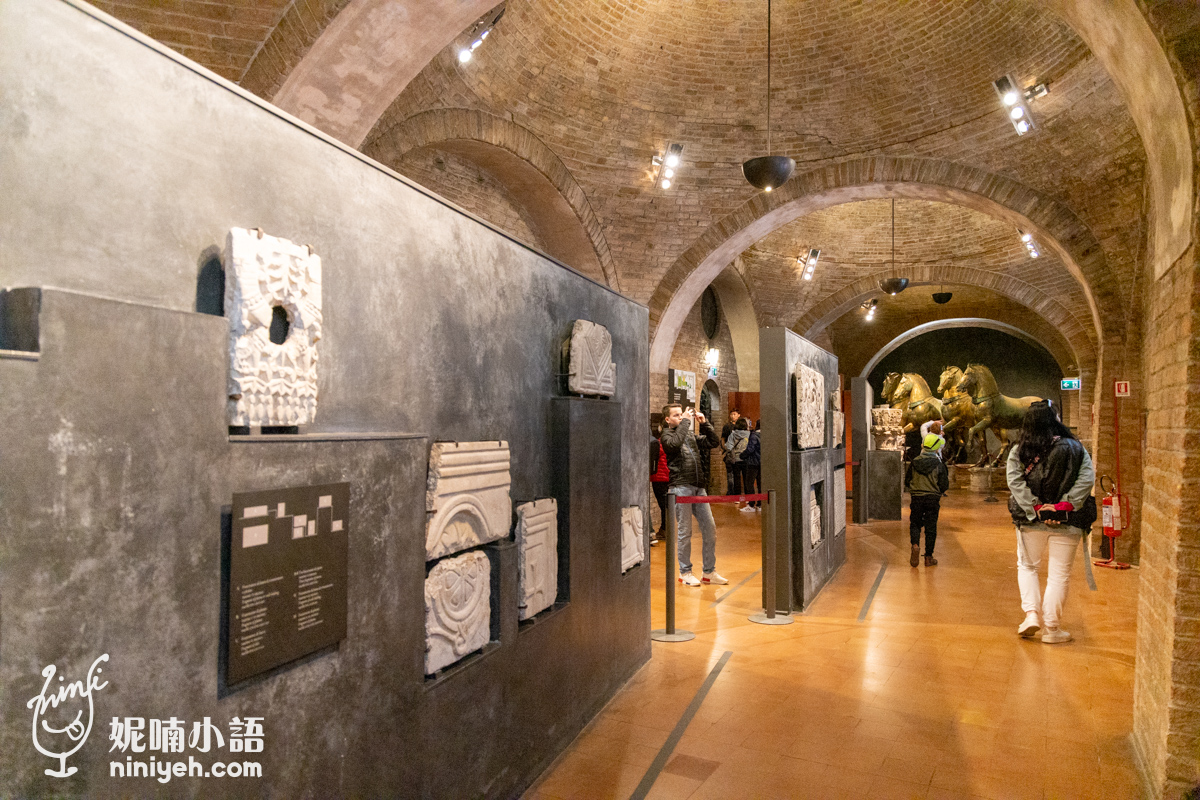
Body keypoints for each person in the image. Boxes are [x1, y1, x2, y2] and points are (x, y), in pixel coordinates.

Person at [1006, 399, 1096, 644]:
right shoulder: (1076, 448)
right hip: (1069, 521)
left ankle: (1032, 615)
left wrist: (1036, 508)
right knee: (1059, 575)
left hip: (1030, 521)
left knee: (1027, 566)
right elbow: (1087, 479)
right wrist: (1064, 506)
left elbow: (1015, 482)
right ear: (1055, 420)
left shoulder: (1019, 449)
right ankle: (1052, 629)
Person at [660, 403, 728, 586]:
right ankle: (685, 572)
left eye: (681, 414)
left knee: (710, 529)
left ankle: (709, 572)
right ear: (668, 419)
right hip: (680, 488)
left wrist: (704, 423)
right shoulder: (666, 435)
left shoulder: (688, 434)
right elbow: (674, 445)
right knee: (685, 532)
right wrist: (686, 423)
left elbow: (713, 442)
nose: (681, 418)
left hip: (699, 487)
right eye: (676, 415)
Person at [907, 433, 949, 567]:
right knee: (931, 527)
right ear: (936, 448)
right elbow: (944, 485)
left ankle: (915, 545)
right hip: (932, 499)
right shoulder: (939, 464)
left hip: (917, 498)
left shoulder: (914, 462)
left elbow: (908, 481)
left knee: (915, 524)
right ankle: (928, 557)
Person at [649, 426, 670, 545]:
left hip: (659, 478)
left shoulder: (658, 443)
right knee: (667, 505)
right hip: (670, 478)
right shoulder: (674, 443)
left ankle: (665, 530)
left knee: (664, 506)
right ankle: (665, 529)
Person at [724, 417, 751, 508]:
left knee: (737, 479)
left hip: (735, 459)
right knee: (747, 479)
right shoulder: (749, 434)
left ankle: (737, 499)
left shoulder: (733, 434)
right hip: (746, 459)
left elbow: (728, 447)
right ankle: (748, 499)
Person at [743, 419, 761, 510]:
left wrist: (743, 455)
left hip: (753, 462)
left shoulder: (754, 435)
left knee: (749, 483)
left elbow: (750, 448)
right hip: (762, 463)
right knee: (760, 483)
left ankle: (751, 504)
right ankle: (760, 504)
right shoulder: (766, 435)